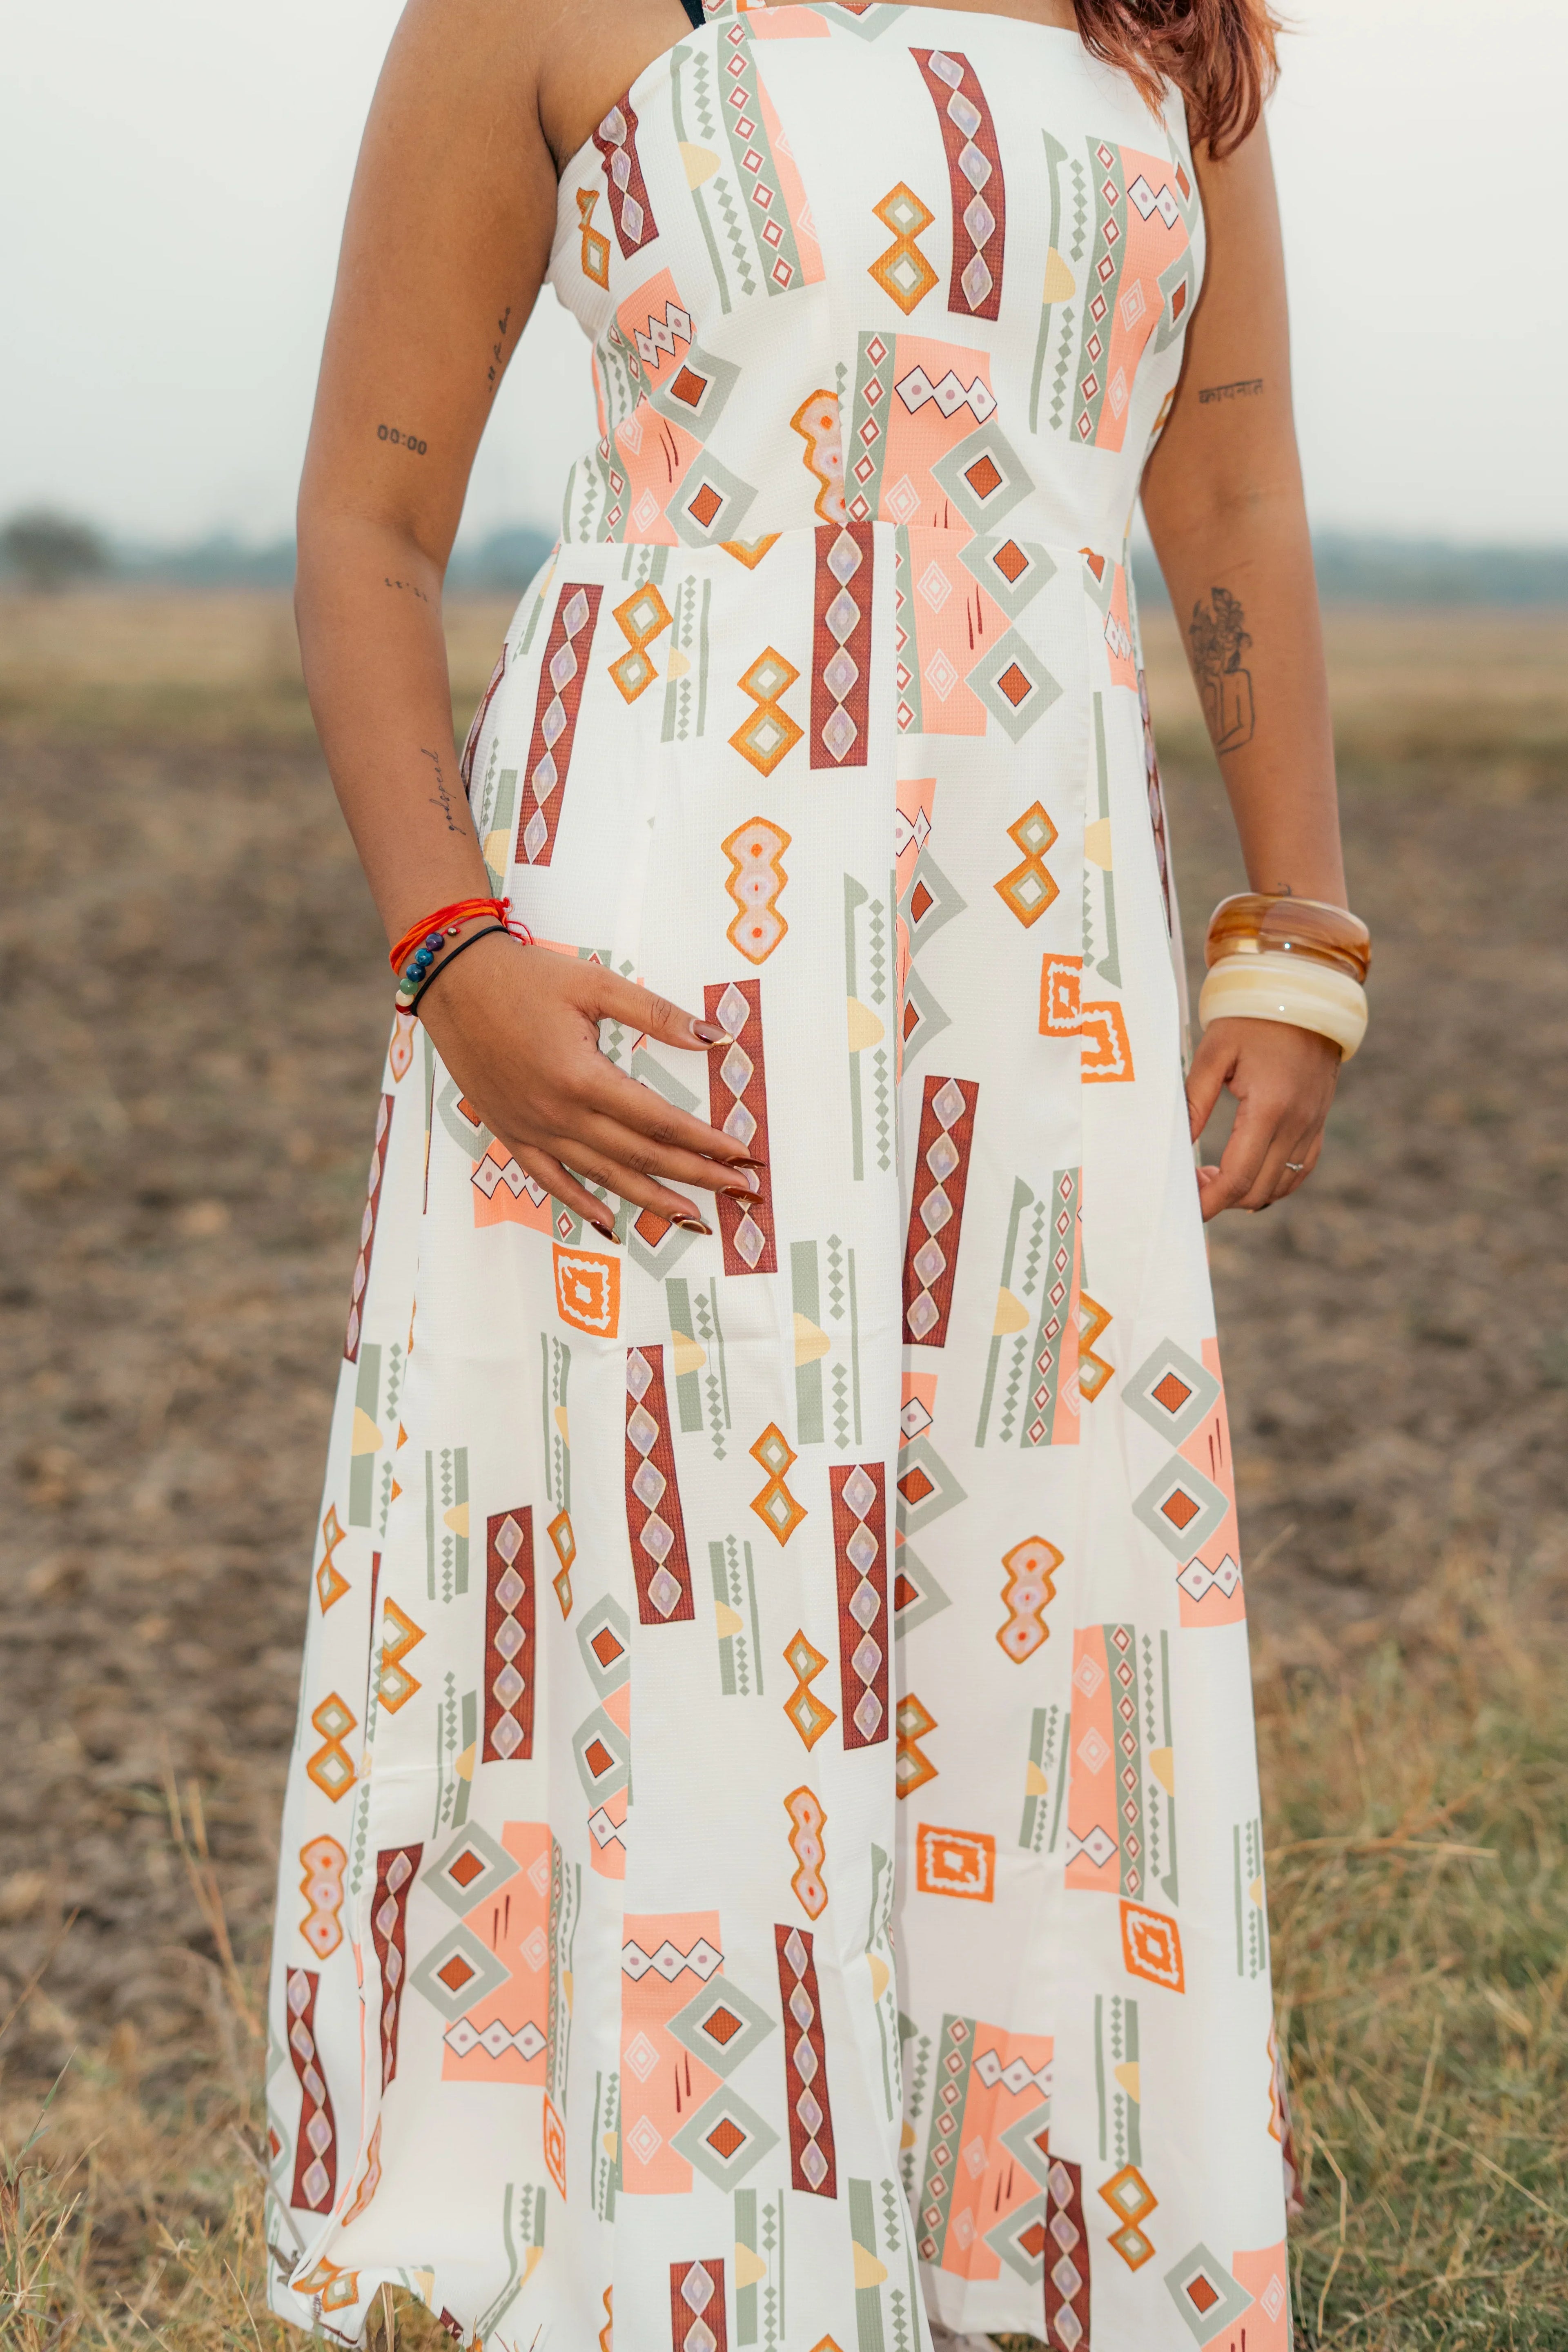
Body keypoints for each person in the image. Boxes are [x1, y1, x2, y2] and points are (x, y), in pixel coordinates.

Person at [267, 0, 1368, 2342]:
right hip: (660, 912)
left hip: (1034, 925)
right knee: (691, 1554)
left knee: (1028, 1546)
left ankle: (1008, 2235)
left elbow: (1231, 484)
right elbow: (369, 521)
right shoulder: (538, 12)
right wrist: (453, 947)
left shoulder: (1165, 36)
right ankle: (683, 2247)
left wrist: (1300, 926)